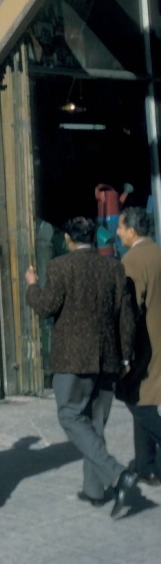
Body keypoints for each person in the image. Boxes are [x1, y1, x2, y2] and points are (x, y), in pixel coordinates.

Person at [26, 215, 138, 516]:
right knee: (95, 424)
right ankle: (94, 490)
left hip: (73, 359)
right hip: (108, 358)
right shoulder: (114, 267)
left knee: (70, 415)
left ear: (67, 240)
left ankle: (116, 474)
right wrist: (125, 356)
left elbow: (45, 306)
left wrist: (32, 286)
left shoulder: (60, 266)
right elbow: (126, 317)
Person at [117, 206, 161, 484]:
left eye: (121, 227)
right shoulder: (157, 252)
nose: (117, 232)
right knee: (146, 399)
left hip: (145, 343)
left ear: (132, 231)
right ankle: (146, 464)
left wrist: (124, 351)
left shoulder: (132, 260)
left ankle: (147, 464)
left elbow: (129, 308)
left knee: (136, 400)